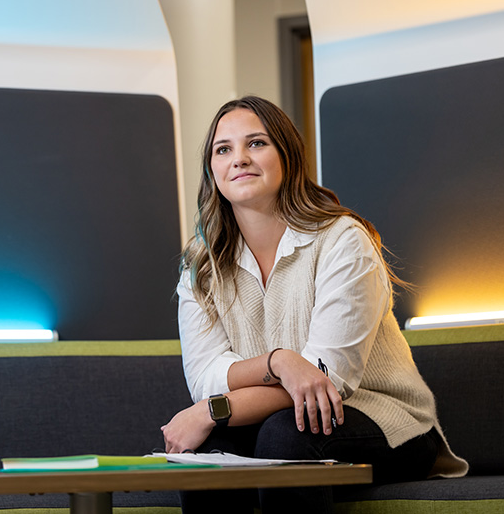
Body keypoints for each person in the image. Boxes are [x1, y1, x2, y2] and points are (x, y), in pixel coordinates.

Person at [161, 96, 468, 513]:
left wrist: (213, 410)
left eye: (256, 143)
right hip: (276, 419)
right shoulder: (201, 262)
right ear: (212, 170)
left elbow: (327, 381)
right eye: (223, 149)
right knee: (209, 451)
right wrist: (279, 362)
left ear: (287, 155)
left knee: (284, 435)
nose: (239, 159)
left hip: (386, 421)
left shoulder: (343, 240)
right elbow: (206, 377)